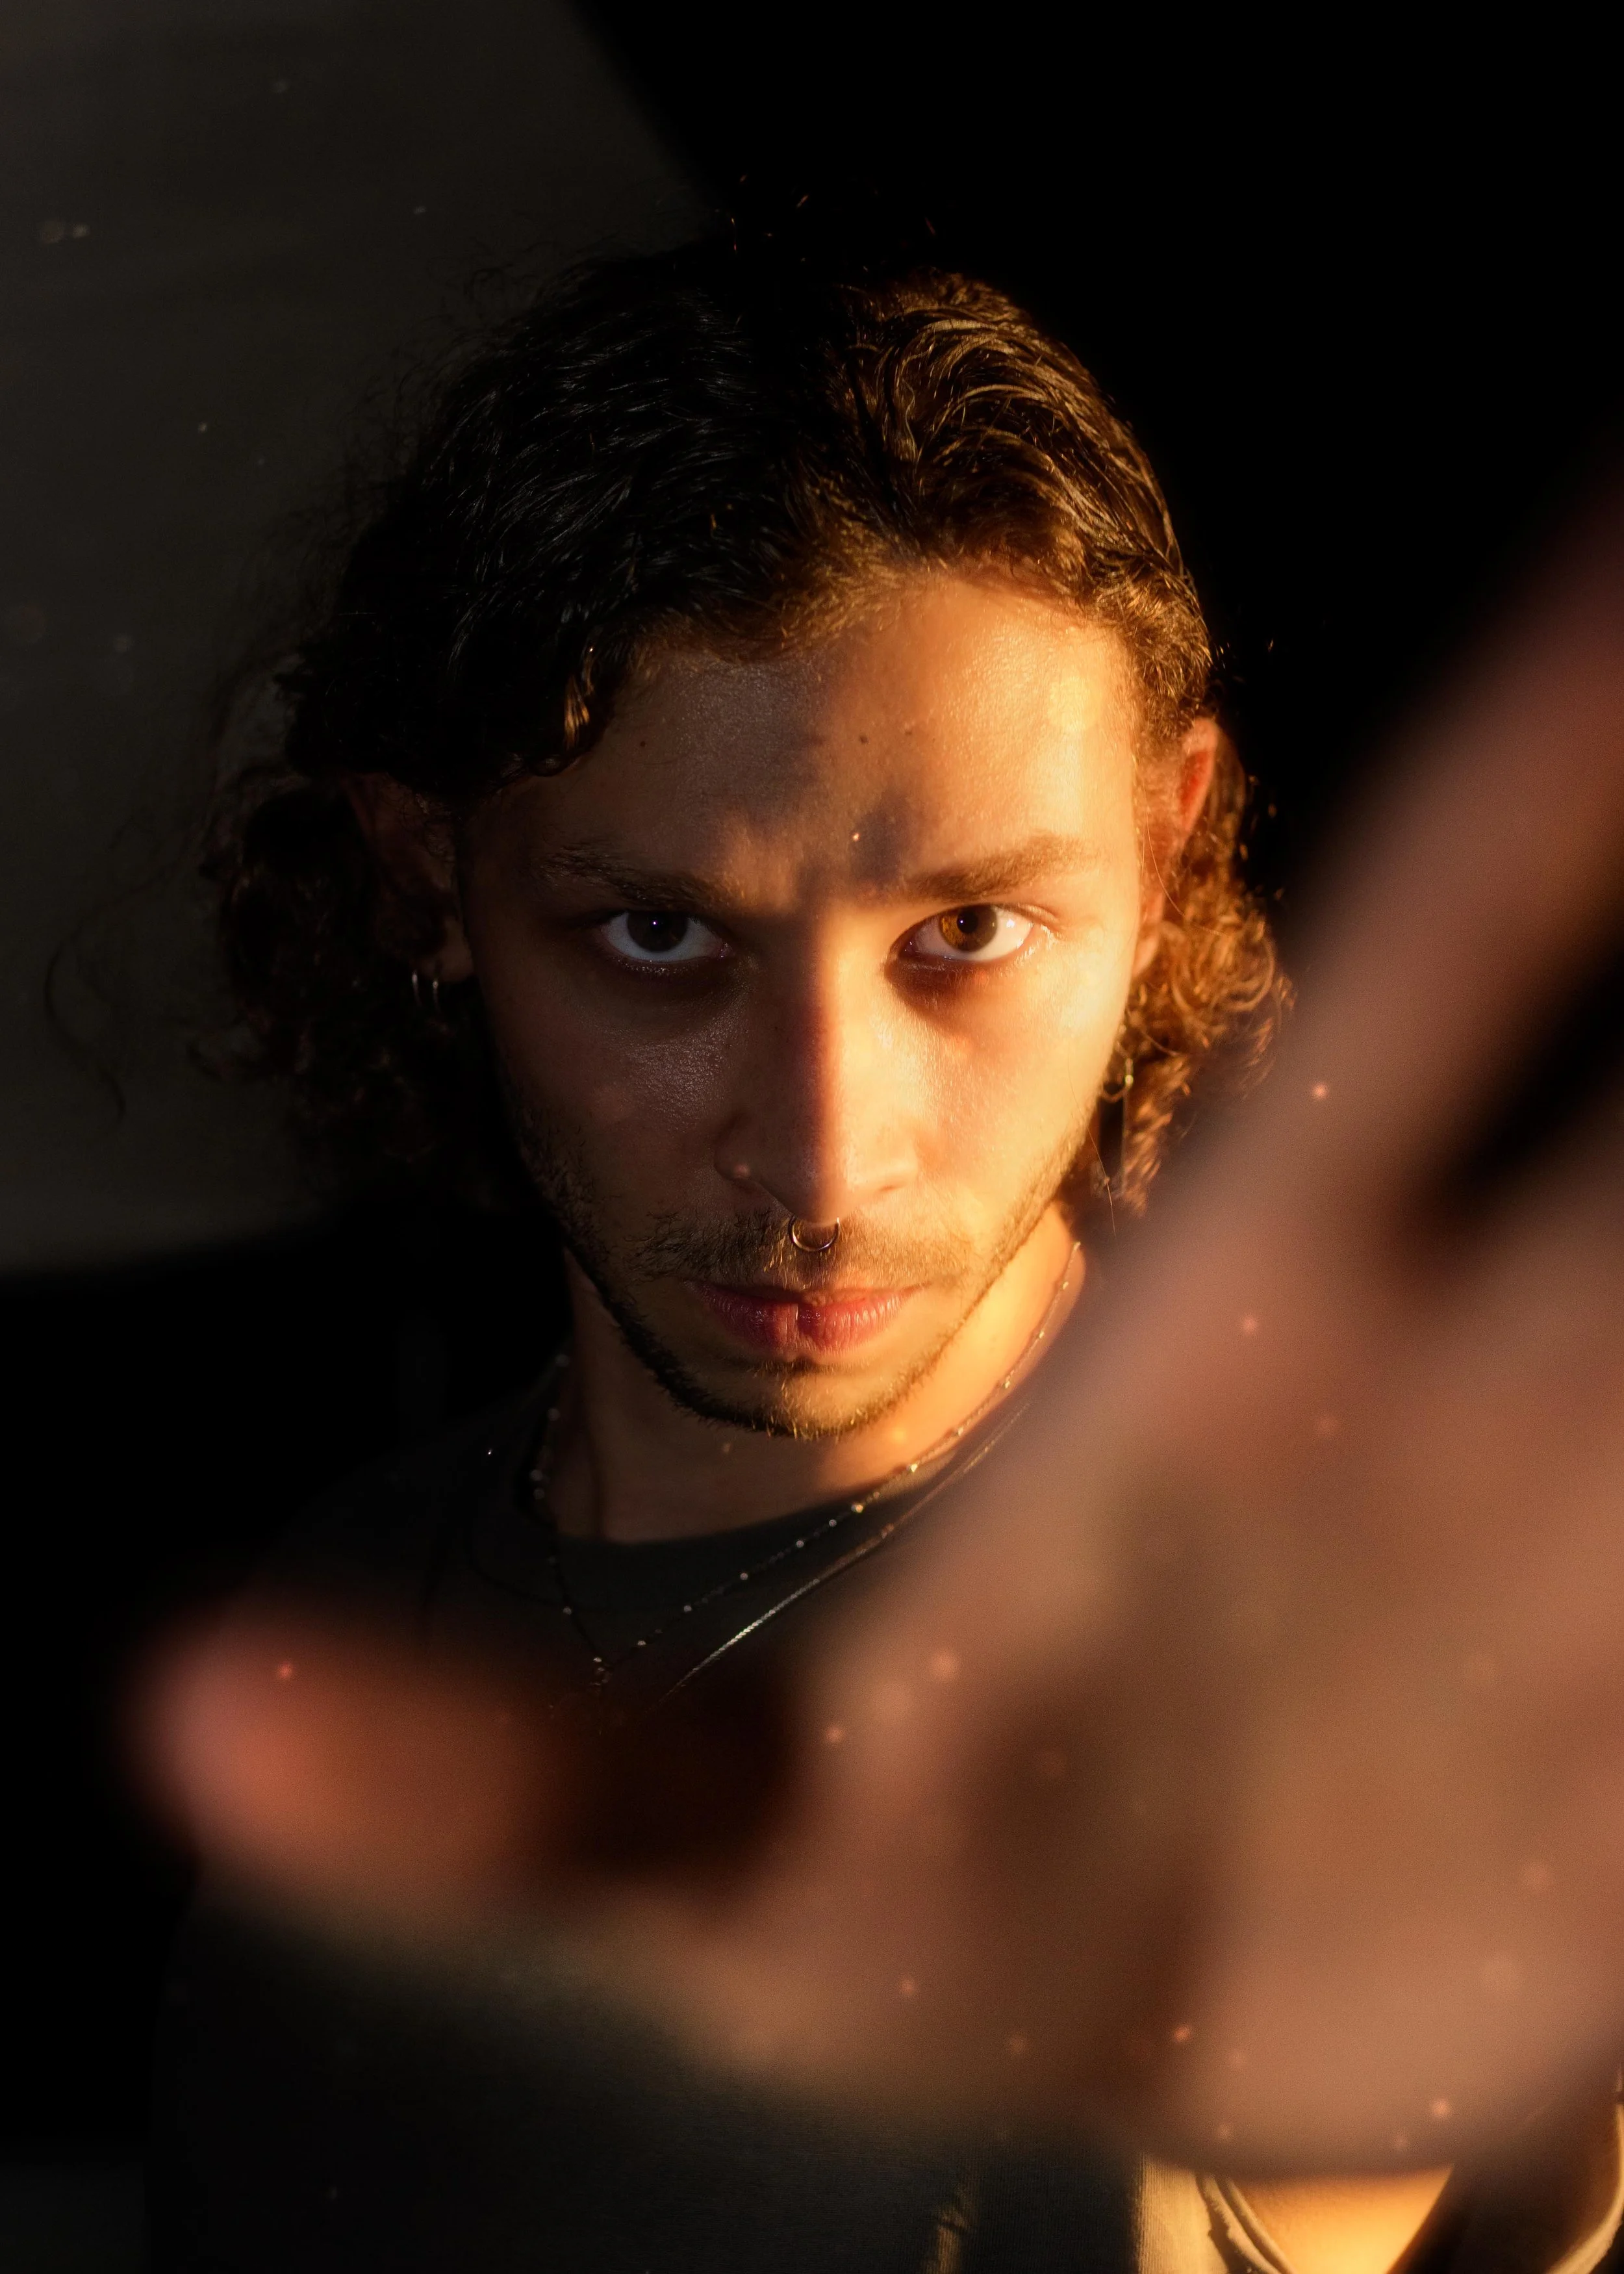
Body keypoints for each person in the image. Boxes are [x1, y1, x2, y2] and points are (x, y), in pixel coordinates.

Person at [147, 236, 1624, 2274]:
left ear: (1169, 845)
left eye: (968, 936)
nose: (826, 1149)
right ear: (429, 881)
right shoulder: (351, 1585)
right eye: (663, 937)